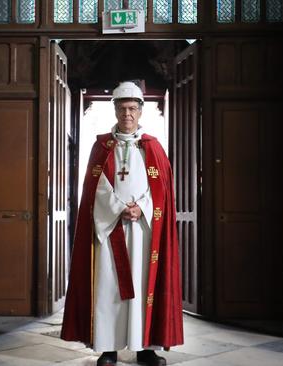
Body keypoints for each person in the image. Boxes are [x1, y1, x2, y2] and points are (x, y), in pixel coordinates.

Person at [60, 81, 184, 366]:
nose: (127, 114)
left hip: (144, 233)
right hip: (110, 228)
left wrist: (141, 208)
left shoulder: (153, 147)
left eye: (132, 108)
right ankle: (109, 348)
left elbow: (163, 190)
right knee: (109, 288)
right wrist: (117, 207)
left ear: (141, 112)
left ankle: (145, 349)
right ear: (115, 110)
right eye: (122, 108)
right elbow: (94, 189)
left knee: (144, 286)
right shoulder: (102, 145)